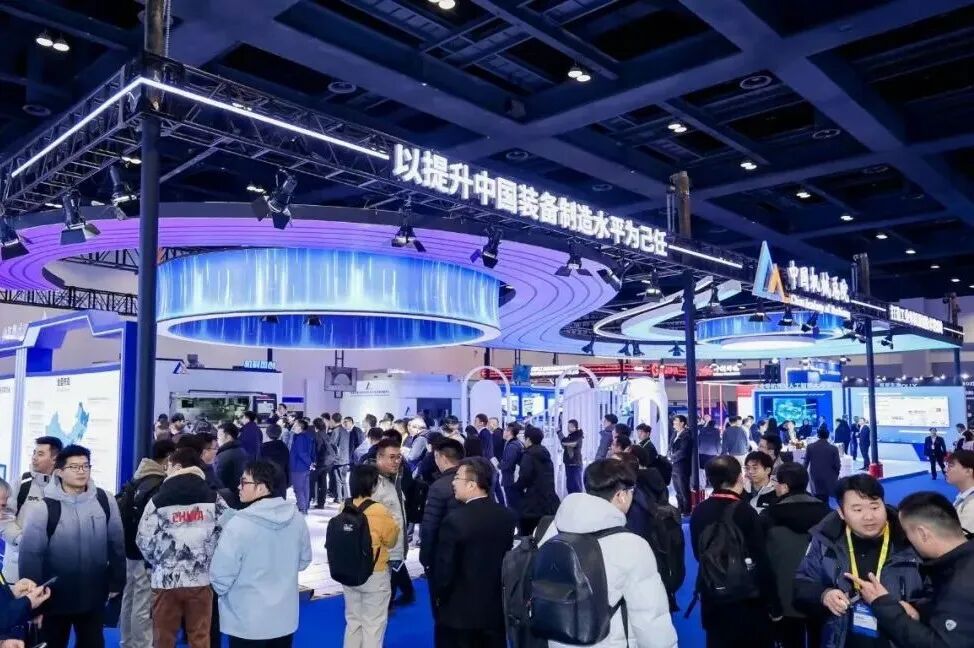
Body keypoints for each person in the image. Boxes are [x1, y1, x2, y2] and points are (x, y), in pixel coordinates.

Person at [537, 459, 678, 648]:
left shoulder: (552, 529)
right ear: (621, 495)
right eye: (632, 491)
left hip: (558, 641)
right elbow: (650, 620)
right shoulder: (632, 546)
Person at [794, 474, 924, 648]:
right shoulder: (825, 540)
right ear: (841, 513)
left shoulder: (911, 541)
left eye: (875, 506)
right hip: (841, 639)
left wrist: (918, 610)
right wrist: (824, 595)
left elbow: (944, 594)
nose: (869, 517)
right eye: (857, 510)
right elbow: (802, 583)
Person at [19, 444, 125, 648]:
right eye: (74, 467)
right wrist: (32, 604)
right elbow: (30, 556)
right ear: (59, 472)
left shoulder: (105, 500)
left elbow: (116, 543)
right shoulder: (44, 508)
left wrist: (117, 582)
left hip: (93, 595)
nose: (81, 471)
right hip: (53, 598)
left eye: (85, 466)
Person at [851, 491, 974, 648]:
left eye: (907, 533)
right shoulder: (957, 565)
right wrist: (921, 611)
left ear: (922, 533)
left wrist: (885, 606)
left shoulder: (960, 587)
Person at [210, 460, 311, 648]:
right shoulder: (296, 518)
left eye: (244, 482)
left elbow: (220, 577)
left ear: (262, 488)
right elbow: (304, 561)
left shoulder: (238, 525)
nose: (238, 487)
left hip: (246, 621)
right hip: (284, 618)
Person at [137, 447, 228, 648]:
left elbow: (143, 540)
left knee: (163, 639)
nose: (166, 470)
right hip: (201, 579)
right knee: (200, 637)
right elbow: (228, 534)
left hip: (165, 580)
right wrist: (207, 559)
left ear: (177, 466)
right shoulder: (213, 498)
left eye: (168, 466)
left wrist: (161, 562)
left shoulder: (158, 499)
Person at [689, 455, 779, 648]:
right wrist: (774, 603)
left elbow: (698, 553)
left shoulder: (699, 511)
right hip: (746, 599)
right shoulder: (746, 512)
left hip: (712, 594)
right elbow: (760, 559)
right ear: (739, 477)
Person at [433, 458, 515, 648]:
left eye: (457, 478)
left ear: (471, 485)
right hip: (495, 611)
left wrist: (439, 596)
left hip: (459, 614)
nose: (453, 483)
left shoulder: (455, 520)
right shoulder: (507, 516)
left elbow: (445, 569)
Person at [759, 463, 830, 648]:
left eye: (776, 482)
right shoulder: (828, 514)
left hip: (783, 598)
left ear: (784, 486)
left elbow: (762, 561)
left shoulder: (768, 516)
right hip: (822, 595)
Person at [118, 439, 176, 648]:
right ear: (168, 458)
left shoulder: (139, 478)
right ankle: (142, 644)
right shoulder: (158, 484)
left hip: (130, 548)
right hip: (145, 553)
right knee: (143, 603)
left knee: (130, 597)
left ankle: (127, 641)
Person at [342, 464, 399, 648]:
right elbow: (391, 540)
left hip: (349, 572)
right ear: (373, 485)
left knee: (353, 622)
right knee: (373, 625)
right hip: (375, 573)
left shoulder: (344, 507)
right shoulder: (380, 511)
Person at [3, 436, 62, 582]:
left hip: (52, 572)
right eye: (34, 453)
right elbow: (3, 518)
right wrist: (22, 540)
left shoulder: (63, 487)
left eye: (40, 454)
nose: (34, 457)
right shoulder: (22, 483)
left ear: (54, 459)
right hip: (16, 569)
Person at [371, 438, 415, 607]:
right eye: (392, 457)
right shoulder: (372, 482)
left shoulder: (395, 478)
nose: (396, 461)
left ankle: (405, 594)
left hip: (397, 544)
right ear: (379, 457)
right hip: (381, 549)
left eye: (398, 457)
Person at [513, 425, 560, 537]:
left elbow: (525, 477)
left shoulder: (529, 455)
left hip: (533, 503)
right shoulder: (545, 454)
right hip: (549, 501)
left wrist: (516, 487)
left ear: (528, 439)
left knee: (526, 534)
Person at [805, 425, 841, 504]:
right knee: (826, 496)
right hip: (830, 475)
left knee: (818, 494)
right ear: (828, 436)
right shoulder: (833, 448)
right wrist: (836, 474)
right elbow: (837, 465)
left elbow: (806, 463)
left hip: (815, 475)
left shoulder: (810, 447)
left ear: (818, 435)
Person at [288, 418, 315, 514]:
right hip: (305, 467)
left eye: (295, 425)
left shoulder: (299, 438)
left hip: (298, 467)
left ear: (300, 427)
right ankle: (305, 507)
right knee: (305, 489)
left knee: (298, 489)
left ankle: (302, 508)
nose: (293, 427)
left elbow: (301, 453)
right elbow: (311, 451)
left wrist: (309, 463)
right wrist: (311, 462)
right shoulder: (308, 436)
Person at [668, 415, 693, 515]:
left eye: (676, 421)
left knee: (683, 489)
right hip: (674, 465)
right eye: (674, 421)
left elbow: (683, 452)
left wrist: (671, 458)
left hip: (682, 466)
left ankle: (687, 510)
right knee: (677, 489)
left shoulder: (687, 435)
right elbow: (670, 447)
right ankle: (680, 508)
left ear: (682, 423)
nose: (674, 423)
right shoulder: (675, 433)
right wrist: (669, 455)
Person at [945, 449, 974, 533]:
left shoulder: (971, 506)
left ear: (968, 471)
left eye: (951, 466)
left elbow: (959, 539)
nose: (946, 469)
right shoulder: (963, 496)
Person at [216, 421, 250, 490]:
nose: (217, 439)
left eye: (219, 436)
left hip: (228, 493)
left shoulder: (223, 456)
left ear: (228, 437)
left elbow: (217, 481)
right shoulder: (242, 450)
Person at [499, 422, 524, 509]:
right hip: (512, 478)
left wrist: (498, 465)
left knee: (512, 504)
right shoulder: (515, 443)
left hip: (511, 480)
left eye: (505, 430)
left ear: (509, 432)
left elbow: (508, 464)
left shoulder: (512, 446)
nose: (503, 432)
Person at [311, 417, 336, 508]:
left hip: (322, 462)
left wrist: (314, 461)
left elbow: (317, 450)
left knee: (312, 480)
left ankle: (312, 499)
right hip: (329, 461)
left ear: (315, 426)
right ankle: (321, 503)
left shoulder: (317, 435)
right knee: (323, 481)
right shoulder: (326, 434)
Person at [557, 419, 584, 494]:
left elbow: (568, 443)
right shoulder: (570, 436)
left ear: (576, 427)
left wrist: (560, 435)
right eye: (568, 426)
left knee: (576, 486)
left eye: (571, 426)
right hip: (569, 463)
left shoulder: (578, 436)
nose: (569, 428)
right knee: (570, 485)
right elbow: (564, 444)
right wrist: (559, 433)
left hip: (575, 464)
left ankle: (578, 500)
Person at [331, 418, 352, 502]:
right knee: (343, 480)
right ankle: (345, 497)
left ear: (333, 420)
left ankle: (339, 498)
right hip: (346, 459)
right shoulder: (346, 431)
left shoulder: (336, 431)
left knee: (338, 480)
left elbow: (332, 444)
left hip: (338, 459)